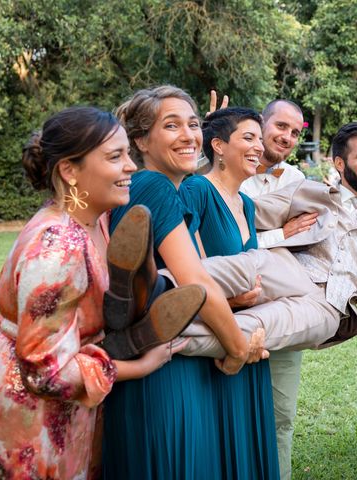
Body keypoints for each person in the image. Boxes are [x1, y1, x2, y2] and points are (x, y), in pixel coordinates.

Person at [0, 107, 188, 479]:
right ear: (70, 171)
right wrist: (141, 367)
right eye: (115, 156)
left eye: (128, 154)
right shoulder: (57, 247)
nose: (131, 167)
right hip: (30, 424)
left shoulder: (91, 219)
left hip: (70, 415)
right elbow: (45, 373)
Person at [101, 86, 266, 480]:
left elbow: (200, 274)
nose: (189, 135)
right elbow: (195, 283)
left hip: (171, 351)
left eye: (193, 124)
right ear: (141, 140)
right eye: (171, 125)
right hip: (163, 365)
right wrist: (239, 348)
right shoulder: (154, 186)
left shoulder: (170, 191)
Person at [179, 121, 357, 357]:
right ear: (340, 164)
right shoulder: (307, 191)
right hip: (286, 268)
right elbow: (239, 206)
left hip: (326, 305)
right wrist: (210, 158)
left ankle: (159, 337)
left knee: (251, 329)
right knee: (238, 268)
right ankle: (152, 285)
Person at [181, 106, 281, 478]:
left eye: (260, 138)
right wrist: (230, 300)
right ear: (219, 145)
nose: (260, 146)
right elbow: (188, 268)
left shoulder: (248, 202)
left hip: (248, 332)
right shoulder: (197, 190)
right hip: (210, 335)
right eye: (249, 137)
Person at [239, 98, 317, 480]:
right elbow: (223, 238)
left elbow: (307, 241)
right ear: (261, 123)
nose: (286, 137)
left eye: (294, 131)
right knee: (232, 415)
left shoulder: (298, 184)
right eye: (280, 127)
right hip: (233, 306)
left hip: (282, 309)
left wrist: (275, 237)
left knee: (280, 417)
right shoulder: (230, 173)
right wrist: (279, 234)